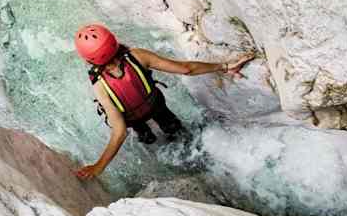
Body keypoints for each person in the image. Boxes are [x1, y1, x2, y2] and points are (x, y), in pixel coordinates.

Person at [73, 23, 255, 180]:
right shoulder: (137, 56)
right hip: (156, 105)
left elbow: (119, 131)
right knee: (175, 129)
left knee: (147, 138)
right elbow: (186, 69)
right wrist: (224, 66)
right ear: (113, 41)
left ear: (89, 59)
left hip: (133, 120)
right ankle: (195, 156)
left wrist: (99, 166)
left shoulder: (100, 85)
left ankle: (155, 144)